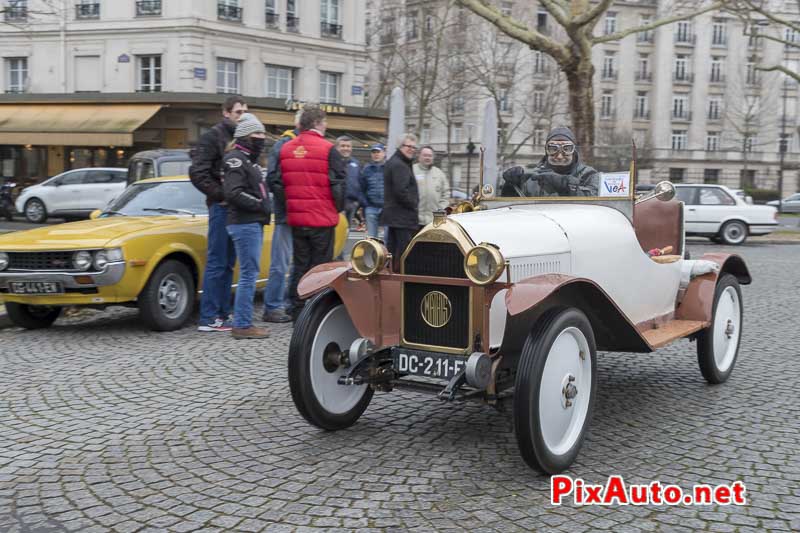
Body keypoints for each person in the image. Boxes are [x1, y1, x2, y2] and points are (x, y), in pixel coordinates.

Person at [271, 105, 345, 320]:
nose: (326, 126)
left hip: (297, 218)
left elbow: (276, 182)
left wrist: (291, 204)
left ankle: (297, 309)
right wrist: (337, 207)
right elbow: (338, 184)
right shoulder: (328, 149)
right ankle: (317, 312)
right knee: (320, 267)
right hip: (322, 217)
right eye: (324, 122)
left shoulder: (286, 148)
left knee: (300, 265)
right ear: (317, 123)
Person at [190, 95, 247, 332]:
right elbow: (198, 173)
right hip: (221, 207)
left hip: (236, 208)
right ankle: (209, 316)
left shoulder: (240, 137)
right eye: (237, 112)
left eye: (244, 112)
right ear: (225, 112)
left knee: (228, 264)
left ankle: (222, 313)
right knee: (217, 262)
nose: (241, 116)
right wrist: (222, 195)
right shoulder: (213, 136)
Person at [222, 114, 272, 339]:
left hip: (251, 222)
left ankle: (243, 322)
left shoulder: (247, 159)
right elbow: (233, 193)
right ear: (245, 136)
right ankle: (242, 325)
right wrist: (259, 205)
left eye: (262, 133)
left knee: (249, 273)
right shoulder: (236, 159)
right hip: (245, 222)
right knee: (249, 274)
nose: (261, 138)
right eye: (257, 134)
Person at [261, 110, 302, 324]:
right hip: (287, 212)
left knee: (294, 262)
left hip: (298, 212)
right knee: (281, 262)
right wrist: (290, 200)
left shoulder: (297, 143)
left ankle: (286, 303)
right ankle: (273, 306)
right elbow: (273, 178)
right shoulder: (284, 143)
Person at [501, 126, 599, 197]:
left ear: (574, 151)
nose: (560, 156)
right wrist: (511, 186)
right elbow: (513, 210)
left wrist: (565, 185)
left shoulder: (588, 175)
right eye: (553, 149)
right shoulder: (533, 178)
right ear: (546, 151)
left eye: (567, 148)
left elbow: (597, 201)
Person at [381, 133, 419, 272]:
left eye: (414, 147)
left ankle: (392, 275)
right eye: (408, 146)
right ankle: (402, 279)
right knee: (404, 253)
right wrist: (413, 204)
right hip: (402, 216)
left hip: (395, 216)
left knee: (393, 250)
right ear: (400, 146)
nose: (411, 149)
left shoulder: (395, 161)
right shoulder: (400, 165)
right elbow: (401, 191)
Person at [413, 146, 449, 226]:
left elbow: (446, 194)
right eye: (425, 155)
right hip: (414, 220)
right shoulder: (412, 171)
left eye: (430, 156)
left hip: (434, 221)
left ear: (433, 157)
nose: (427, 158)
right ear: (419, 156)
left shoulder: (439, 173)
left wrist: (440, 209)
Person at [359, 143, 386, 238]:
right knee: (372, 238)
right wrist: (365, 204)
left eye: (378, 152)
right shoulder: (366, 169)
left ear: (384, 153)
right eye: (374, 152)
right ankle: (373, 253)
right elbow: (361, 189)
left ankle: (386, 253)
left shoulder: (389, 168)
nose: (376, 154)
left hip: (386, 208)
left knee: (388, 238)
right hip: (371, 207)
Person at [336, 136, 362, 229]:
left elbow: (360, 182)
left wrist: (357, 202)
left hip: (351, 204)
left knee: (346, 233)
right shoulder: (332, 162)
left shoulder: (356, 163)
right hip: (336, 205)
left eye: (348, 146)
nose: (345, 148)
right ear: (337, 148)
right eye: (342, 146)